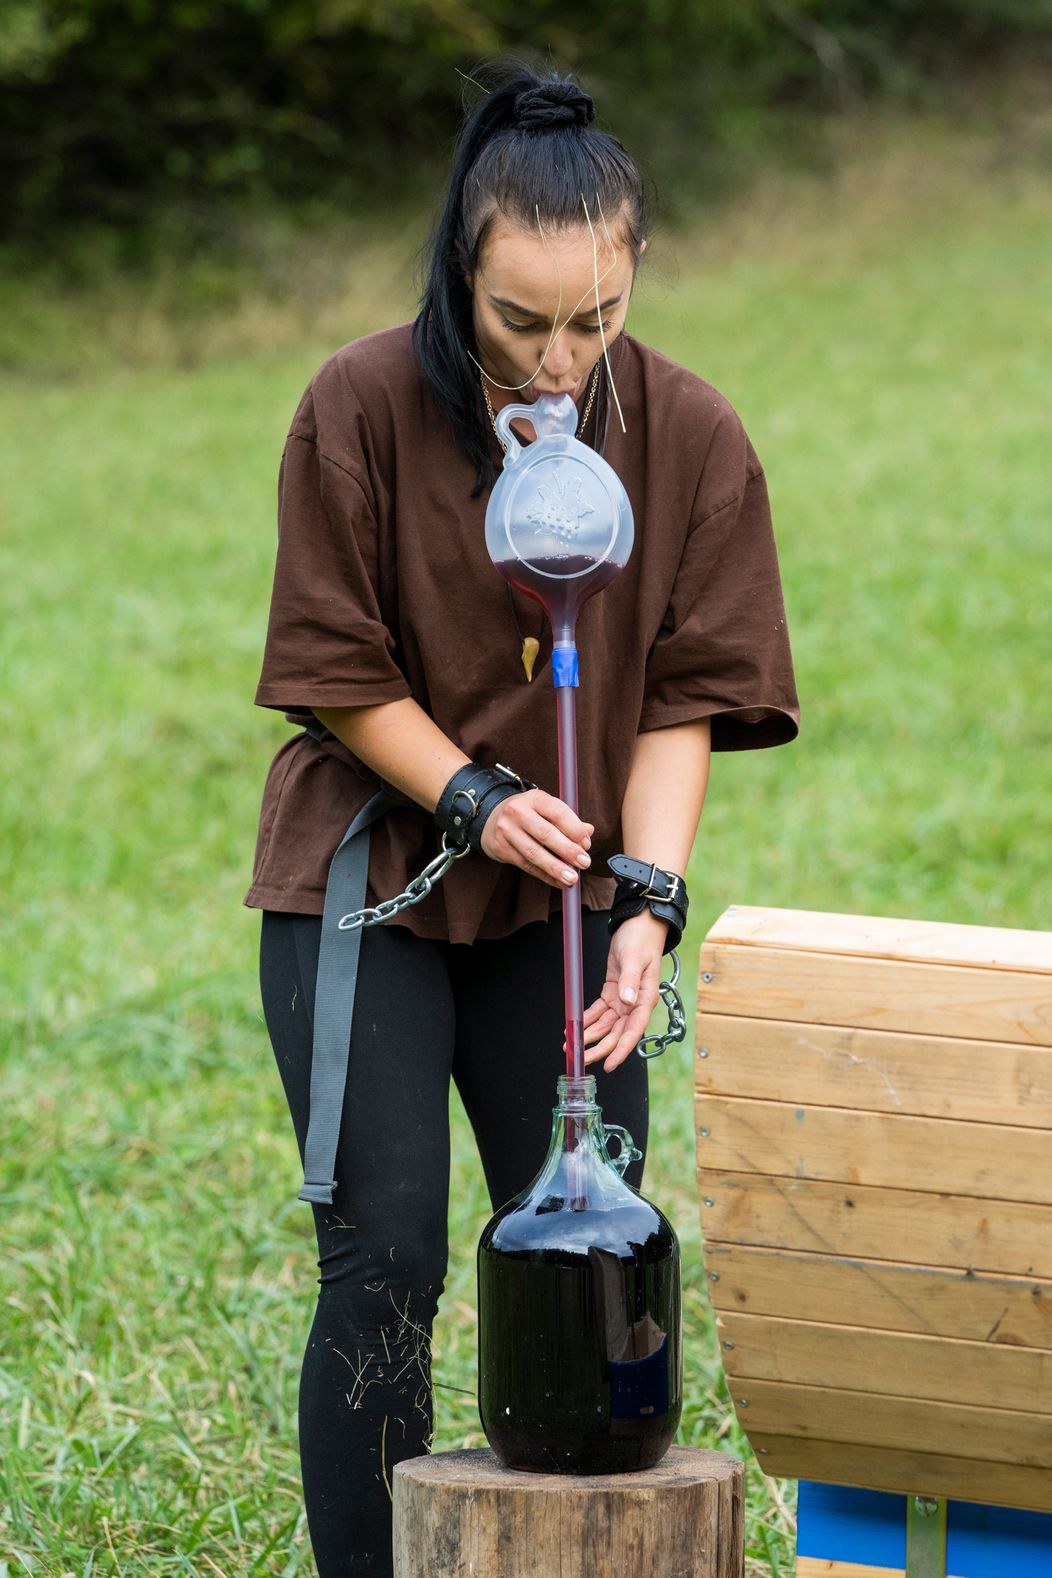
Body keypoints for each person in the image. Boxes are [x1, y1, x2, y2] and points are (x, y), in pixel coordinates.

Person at [246, 60, 799, 1578]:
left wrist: (647, 901)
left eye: (596, 321)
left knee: (586, 1246)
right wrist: (478, 797)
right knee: (388, 1262)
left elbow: (688, 689)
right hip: (373, 880)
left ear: (635, 275)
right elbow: (335, 671)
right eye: (520, 322)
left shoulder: (688, 433)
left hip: (571, 898)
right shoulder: (356, 407)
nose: (560, 364)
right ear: (458, 270)